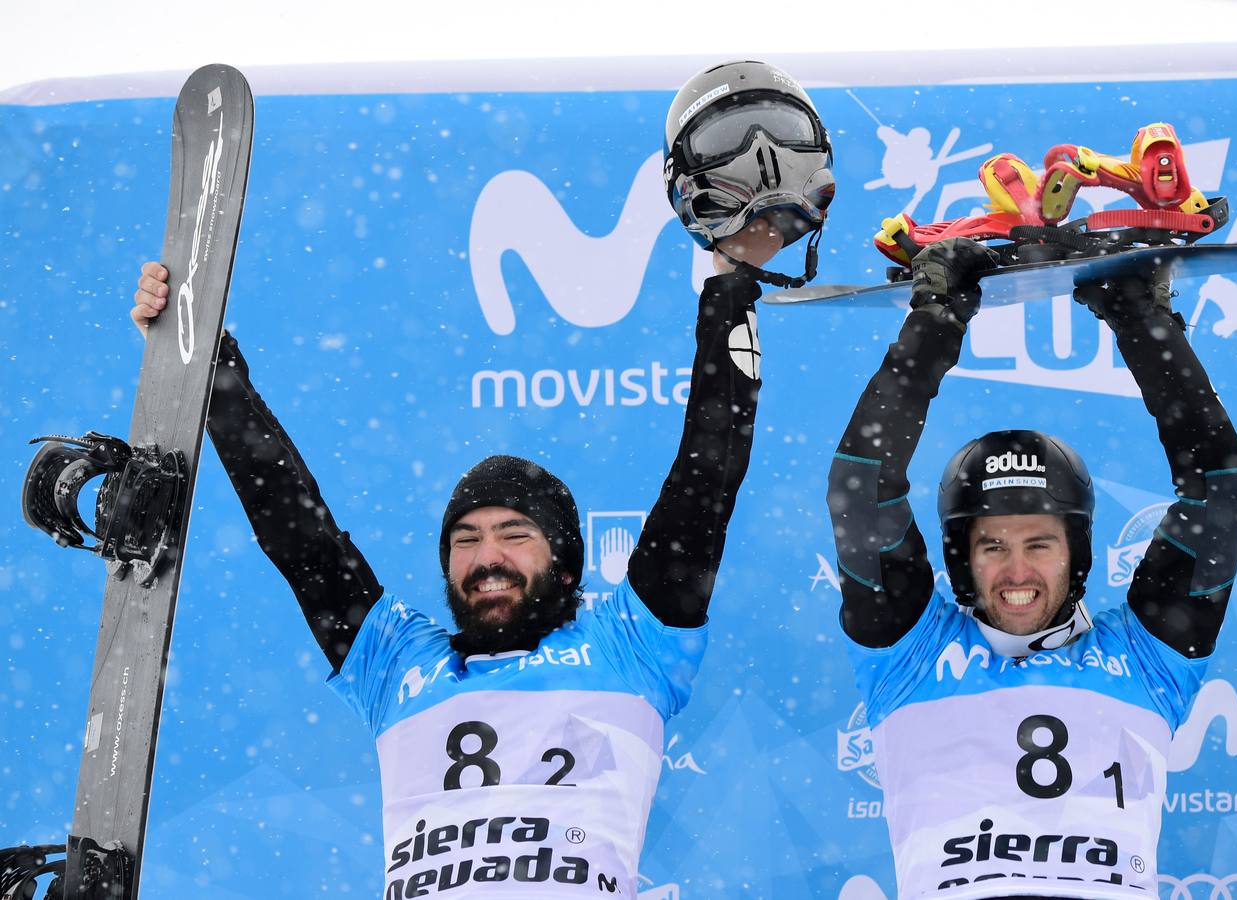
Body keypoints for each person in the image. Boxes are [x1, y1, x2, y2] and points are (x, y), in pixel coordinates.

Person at [131, 59, 831, 900]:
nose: (485, 556)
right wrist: (208, 364)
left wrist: (728, 290)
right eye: (465, 540)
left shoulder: (632, 645)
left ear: (567, 565)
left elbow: (708, 469)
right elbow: (297, 530)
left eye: (513, 535)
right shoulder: (397, 662)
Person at [827, 238, 1237, 898]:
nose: (1016, 571)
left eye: (1040, 544)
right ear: (962, 560)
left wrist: (1140, 318)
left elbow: (1219, 486)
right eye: (992, 545)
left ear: (1077, 554)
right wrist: (936, 319)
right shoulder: (909, 657)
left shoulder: (1147, 660)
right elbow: (861, 487)